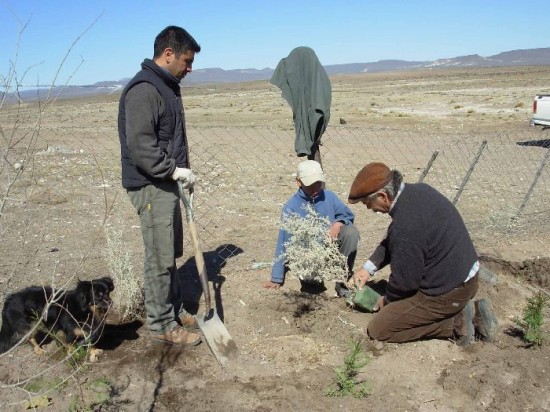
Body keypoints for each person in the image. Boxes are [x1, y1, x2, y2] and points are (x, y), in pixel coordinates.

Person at [348, 162, 498, 345]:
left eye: (368, 203)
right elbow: (395, 242)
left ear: (383, 196)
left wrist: (386, 301)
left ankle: (457, 323)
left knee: (380, 329)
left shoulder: (406, 224)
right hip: (463, 275)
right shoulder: (419, 192)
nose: (369, 209)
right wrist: (368, 268)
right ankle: (461, 308)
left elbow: (405, 284)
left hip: (449, 291)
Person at [118, 26, 202, 346]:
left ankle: (174, 308)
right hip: (151, 184)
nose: (190, 68)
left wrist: (180, 173)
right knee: (159, 255)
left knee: (169, 251)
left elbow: (169, 140)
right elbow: (142, 147)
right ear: (168, 54)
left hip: (165, 182)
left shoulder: (166, 86)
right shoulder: (145, 90)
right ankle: (161, 324)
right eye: (186, 60)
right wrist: (173, 171)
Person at [263, 160, 360, 291]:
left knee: (351, 232)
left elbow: (347, 215)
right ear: (298, 182)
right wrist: (277, 277)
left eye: (318, 184)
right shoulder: (291, 207)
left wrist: (339, 222)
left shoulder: (329, 197)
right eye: (310, 185)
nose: (315, 189)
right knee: (313, 289)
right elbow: (283, 241)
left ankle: (342, 278)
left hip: (330, 249)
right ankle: (311, 283)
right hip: (308, 256)